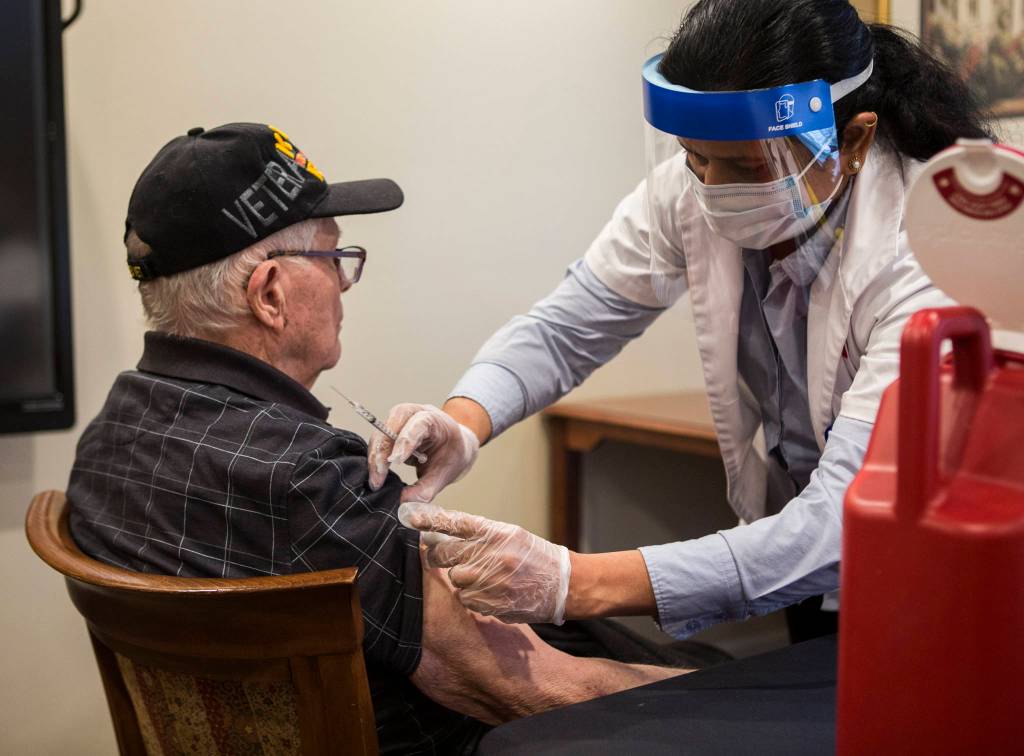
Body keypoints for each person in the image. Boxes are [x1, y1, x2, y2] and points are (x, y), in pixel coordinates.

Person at [368, 0, 993, 641]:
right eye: (696, 157)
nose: (713, 190)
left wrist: (572, 581)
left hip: (950, 569)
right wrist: (464, 420)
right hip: (808, 552)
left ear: (853, 139)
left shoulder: (929, 247)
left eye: (749, 167)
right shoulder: (688, 192)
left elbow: (849, 514)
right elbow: (567, 328)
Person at [65, 122, 687, 756]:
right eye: (336, 261)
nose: (343, 285)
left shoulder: (107, 439)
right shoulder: (307, 479)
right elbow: (523, 688)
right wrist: (739, 694)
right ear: (272, 296)